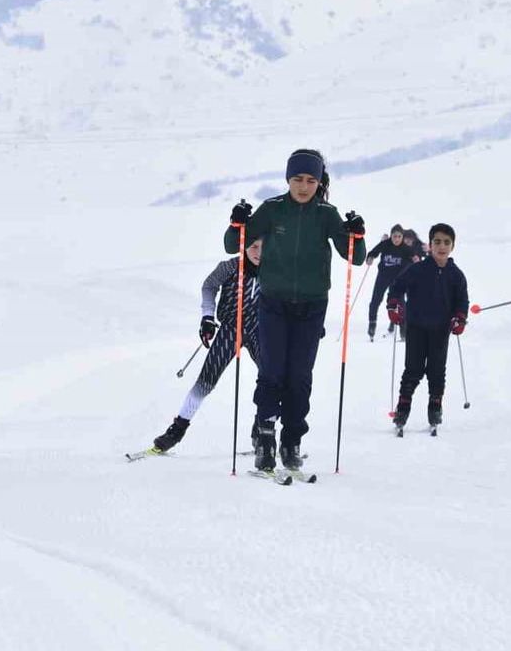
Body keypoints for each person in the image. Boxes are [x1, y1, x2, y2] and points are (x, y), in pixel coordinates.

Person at [225, 149, 367, 472]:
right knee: (271, 371)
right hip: (272, 302)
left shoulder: (327, 214)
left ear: (319, 182)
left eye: (311, 180)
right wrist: (237, 224)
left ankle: (292, 440)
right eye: (298, 179)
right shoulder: (272, 209)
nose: (304, 186)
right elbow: (233, 244)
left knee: (299, 376)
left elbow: (355, 257)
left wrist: (357, 234)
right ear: (288, 179)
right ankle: (265, 436)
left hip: (312, 307)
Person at [148, 238, 263, 453]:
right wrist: (208, 317)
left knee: (272, 379)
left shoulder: (275, 269)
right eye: (254, 247)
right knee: (206, 380)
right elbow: (209, 286)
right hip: (230, 328)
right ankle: (176, 431)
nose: (259, 252)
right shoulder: (229, 267)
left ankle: (262, 431)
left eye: (264, 247)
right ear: (244, 246)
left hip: (260, 329)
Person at [386, 223, 469, 435]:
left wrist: (460, 318)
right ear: (429, 245)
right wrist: (394, 303)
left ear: (452, 246)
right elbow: (397, 286)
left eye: (446, 242)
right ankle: (403, 407)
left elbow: (462, 301)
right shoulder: (418, 269)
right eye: (437, 242)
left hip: (441, 331)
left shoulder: (456, 275)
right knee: (412, 369)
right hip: (416, 328)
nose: (442, 246)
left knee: (436, 370)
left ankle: (435, 406)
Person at [365, 224, 421, 340]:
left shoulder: (406, 248)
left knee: (400, 304)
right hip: (383, 277)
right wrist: (370, 258)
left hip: (398, 281)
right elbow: (373, 252)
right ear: (391, 236)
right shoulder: (385, 244)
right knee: (375, 301)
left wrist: (416, 259)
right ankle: (372, 325)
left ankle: (403, 329)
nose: (396, 239)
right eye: (394, 236)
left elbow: (416, 256)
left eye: (399, 236)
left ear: (402, 237)